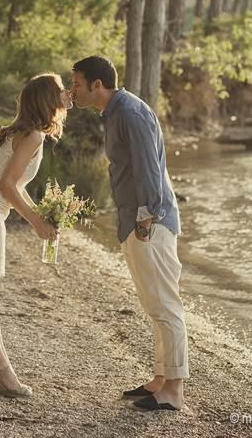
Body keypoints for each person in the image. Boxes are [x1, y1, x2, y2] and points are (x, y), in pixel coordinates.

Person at [70, 55, 188, 412]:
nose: (72, 89)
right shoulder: (115, 112)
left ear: (97, 85)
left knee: (166, 304)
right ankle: (160, 378)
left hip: (150, 223)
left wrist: (145, 220)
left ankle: (175, 390)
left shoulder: (131, 113)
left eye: (76, 83)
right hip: (136, 222)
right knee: (154, 303)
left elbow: (149, 172)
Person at [0, 72, 71, 398]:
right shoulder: (33, 135)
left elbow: (14, 185)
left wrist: (44, 217)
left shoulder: (28, 132)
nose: (67, 94)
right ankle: (2, 371)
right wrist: (36, 223)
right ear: (49, 99)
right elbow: (6, 186)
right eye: (62, 90)